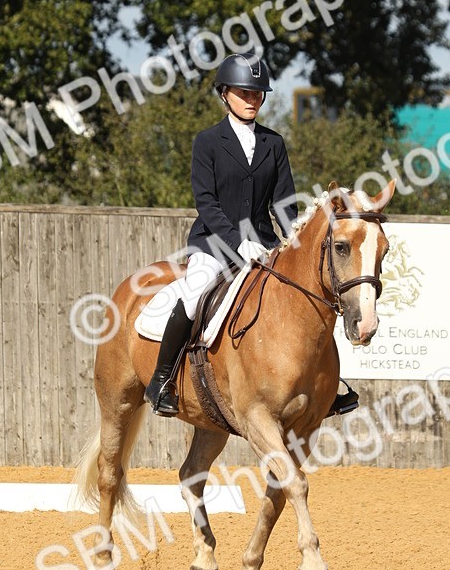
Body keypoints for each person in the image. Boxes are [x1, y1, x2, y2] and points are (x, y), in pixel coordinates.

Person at [144, 52, 359, 418]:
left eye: (257, 93)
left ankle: (324, 385)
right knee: (195, 294)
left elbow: (283, 203)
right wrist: (236, 241)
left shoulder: (274, 143)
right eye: (244, 93)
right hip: (215, 243)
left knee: (306, 297)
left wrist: (293, 243)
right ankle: (162, 380)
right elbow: (206, 202)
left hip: (263, 244)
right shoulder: (207, 141)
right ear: (224, 94)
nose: (252, 99)